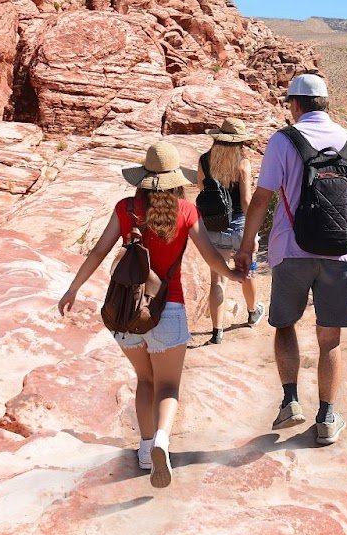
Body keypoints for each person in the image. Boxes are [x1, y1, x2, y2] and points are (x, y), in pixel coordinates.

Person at [58, 141, 242, 488]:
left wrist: (73, 289)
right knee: (169, 385)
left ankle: (144, 450)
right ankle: (161, 440)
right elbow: (211, 257)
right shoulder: (187, 212)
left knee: (145, 380)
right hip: (168, 308)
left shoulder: (126, 209)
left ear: (143, 178)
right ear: (176, 181)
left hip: (126, 311)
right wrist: (234, 275)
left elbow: (99, 250)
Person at [238, 73, 347, 445]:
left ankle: (290, 401)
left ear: (295, 104)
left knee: (285, 325)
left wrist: (247, 245)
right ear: (326, 104)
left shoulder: (283, 141)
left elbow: (262, 198)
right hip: (342, 252)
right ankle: (327, 418)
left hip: (291, 250)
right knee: (330, 339)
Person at [196, 117, 266, 344]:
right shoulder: (242, 163)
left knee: (217, 280)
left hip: (213, 226)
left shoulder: (205, 161)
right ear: (239, 143)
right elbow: (246, 201)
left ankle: (217, 332)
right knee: (247, 272)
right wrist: (252, 233)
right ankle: (252, 312)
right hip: (238, 227)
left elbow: (202, 193)